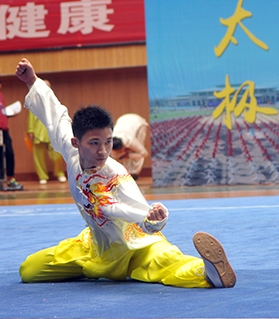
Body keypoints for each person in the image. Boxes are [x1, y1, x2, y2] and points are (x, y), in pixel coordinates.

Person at [14, 58, 236, 288]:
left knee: (168, 262)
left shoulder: (115, 174)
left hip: (133, 244)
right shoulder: (69, 150)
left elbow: (135, 210)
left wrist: (152, 218)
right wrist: (31, 80)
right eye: (94, 143)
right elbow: (56, 115)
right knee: (29, 270)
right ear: (75, 142)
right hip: (96, 246)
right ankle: (94, 269)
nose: (103, 150)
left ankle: (209, 272)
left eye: (108, 142)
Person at [26, 80, 66, 185]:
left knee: (57, 155)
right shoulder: (34, 102)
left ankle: (59, 173)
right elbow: (31, 117)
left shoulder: (54, 102)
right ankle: (42, 176)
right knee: (38, 156)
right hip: (38, 132)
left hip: (52, 131)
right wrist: (30, 130)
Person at [110, 113, 150, 179]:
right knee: (122, 157)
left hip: (138, 123)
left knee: (137, 151)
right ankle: (126, 173)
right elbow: (116, 159)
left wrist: (129, 155)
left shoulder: (130, 140)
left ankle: (134, 173)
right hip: (123, 119)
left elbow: (145, 154)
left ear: (123, 145)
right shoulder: (110, 143)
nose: (120, 152)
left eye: (120, 150)